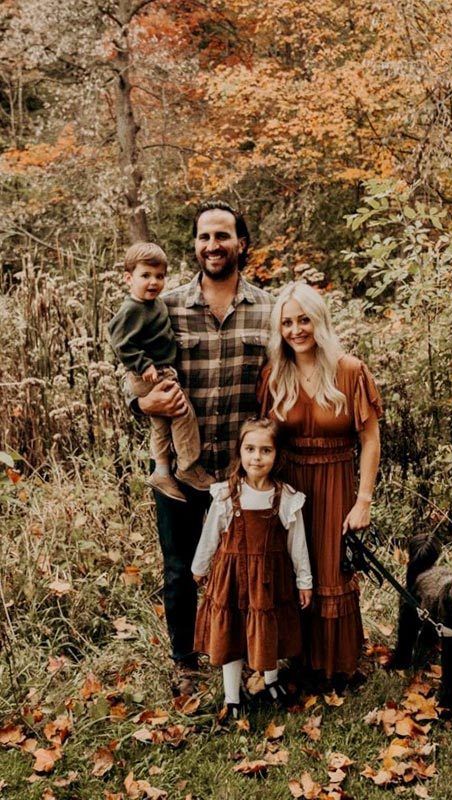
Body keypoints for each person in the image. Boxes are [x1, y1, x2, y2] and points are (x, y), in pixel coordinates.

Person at [125, 201, 273, 694]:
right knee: (179, 568)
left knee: (250, 566)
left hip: (242, 471)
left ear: (241, 243)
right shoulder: (164, 307)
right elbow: (129, 374)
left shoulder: (269, 310)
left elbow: (286, 380)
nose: (213, 245)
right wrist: (144, 402)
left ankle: (253, 657)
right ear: (195, 245)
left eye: (223, 236)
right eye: (205, 236)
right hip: (179, 470)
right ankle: (185, 663)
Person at [258, 281, 382, 690]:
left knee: (331, 570)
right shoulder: (275, 375)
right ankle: (297, 664)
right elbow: (263, 439)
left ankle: (337, 666)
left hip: (334, 483)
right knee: (293, 570)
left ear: (320, 321)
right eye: (287, 322)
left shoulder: (349, 370)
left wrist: (363, 500)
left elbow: (369, 439)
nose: (296, 330)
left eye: (304, 319)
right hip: (289, 487)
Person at [191, 418, 312, 720]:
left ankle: (271, 681)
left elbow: (298, 543)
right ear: (240, 452)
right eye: (250, 449)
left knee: (267, 630)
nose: (256, 457)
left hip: (270, 580)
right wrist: (199, 567)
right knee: (231, 634)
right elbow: (211, 535)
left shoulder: (285, 497)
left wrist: (304, 580)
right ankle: (232, 697)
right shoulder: (227, 494)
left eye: (265, 450)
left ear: (277, 455)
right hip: (231, 577)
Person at [109, 242, 214, 502]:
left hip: (160, 370)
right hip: (150, 374)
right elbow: (120, 342)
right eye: (145, 276)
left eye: (159, 276)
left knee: (162, 423)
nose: (153, 282)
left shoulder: (156, 304)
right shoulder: (132, 308)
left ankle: (162, 470)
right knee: (182, 413)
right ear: (128, 278)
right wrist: (144, 364)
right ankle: (188, 467)